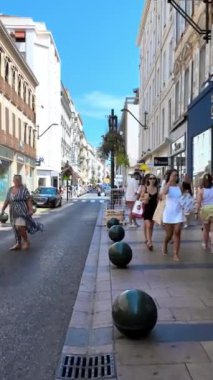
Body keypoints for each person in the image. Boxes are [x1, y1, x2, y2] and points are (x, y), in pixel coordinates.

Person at [0, 174, 44, 251]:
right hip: (13, 212)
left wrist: (30, 209)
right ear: (13, 181)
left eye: (18, 180)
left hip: (22, 212)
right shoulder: (10, 189)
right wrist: (3, 209)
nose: (16, 181)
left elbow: (28, 200)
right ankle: (18, 243)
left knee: (19, 227)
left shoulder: (24, 189)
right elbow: (7, 200)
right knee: (15, 228)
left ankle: (26, 241)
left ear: (20, 181)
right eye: (15, 180)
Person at [161, 169, 185, 261]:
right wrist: (169, 182)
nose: (176, 177)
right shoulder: (166, 186)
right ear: (169, 176)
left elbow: (181, 197)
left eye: (176, 175)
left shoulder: (179, 186)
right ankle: (165, 244)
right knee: (169, 234)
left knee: (177, 232)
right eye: (174, 175)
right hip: (169, 213)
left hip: (178, 212)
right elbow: (165, 192)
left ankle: (176, 254)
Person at [140, 174, 158, 250]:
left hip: (154, 209)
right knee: (148, 225)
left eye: (154, 178)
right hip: (147, 208)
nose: (152, 180)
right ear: (148, 180)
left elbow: (158, 199)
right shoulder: (145, 188)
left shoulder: (157, 188)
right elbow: (140, 198)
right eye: (150, 178)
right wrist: (145, 199)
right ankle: (149, 242)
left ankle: (149, 239)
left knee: (151, 226)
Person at [196, 173, 213, 252]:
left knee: (206, 229)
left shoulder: (201, 191)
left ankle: (205, 244)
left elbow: (198, 202)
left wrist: (197, 212)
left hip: (205, 210)